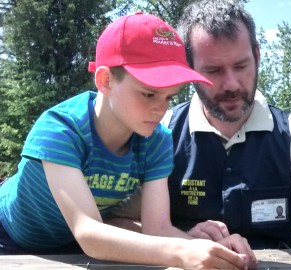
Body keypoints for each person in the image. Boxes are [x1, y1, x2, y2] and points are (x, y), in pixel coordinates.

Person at [111, 1, 291, 269]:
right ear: (189, 70)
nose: (231, 83)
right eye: (213, 70)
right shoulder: (158, 133)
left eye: (241, 66)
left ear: (258, 55)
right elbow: (112, 222)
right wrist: (181, 241)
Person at [0, 12, 257, 269]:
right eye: (148, 94)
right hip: (9, 237)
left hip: (70, 245)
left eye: (169, 97)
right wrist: (183, 252)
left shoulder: (156, 140)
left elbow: (157, 229)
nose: (160, 109)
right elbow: (89, 232)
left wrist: (210, 251)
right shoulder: (61, 129)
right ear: (105, 80)